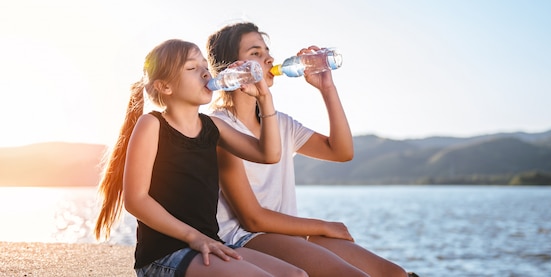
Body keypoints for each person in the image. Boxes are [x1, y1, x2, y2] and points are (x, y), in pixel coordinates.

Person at [206, 22, 409, 277]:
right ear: (232, 67)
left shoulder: (280, 123)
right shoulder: (220, 128)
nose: (269, 58)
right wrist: (324, 226)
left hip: (287, 235)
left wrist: (327, 88)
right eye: (256, 53)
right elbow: (252, 219)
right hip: (245, 238)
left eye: (267, 51)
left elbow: (341, 151)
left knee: (395, 274)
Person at [93, 38, 307, 277]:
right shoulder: (152, 124)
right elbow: (136, 200)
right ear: (165, 86)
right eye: (192, 68)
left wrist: (264, 98)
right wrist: (194, 237)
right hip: (165, 255)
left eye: (205, 67)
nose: (205, 73)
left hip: (209, 245)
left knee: (295, 275)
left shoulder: (212, 126)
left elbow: (269, 154)